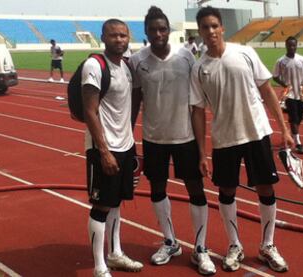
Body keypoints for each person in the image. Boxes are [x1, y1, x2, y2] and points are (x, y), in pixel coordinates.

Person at [190, 6, 294, 273]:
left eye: (215, 26)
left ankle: (267, 245)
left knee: (266, 189)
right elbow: (198, 111)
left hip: (257, 133)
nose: (211, 31)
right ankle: (235, 245)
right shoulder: (200, 67)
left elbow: (266, 90)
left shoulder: (245, 53)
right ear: (199, 31)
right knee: (226, 191)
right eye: (205, 27)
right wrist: (202, 152)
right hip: (225, 139)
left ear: (222, 27)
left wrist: (284, 129)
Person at [130, 6, 216, 275]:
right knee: (157, 190)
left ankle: (200, 248)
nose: (158, 33)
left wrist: (203, 150)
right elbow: (134, 101)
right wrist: (129, 138)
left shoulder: (186, 57)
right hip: (154, 138)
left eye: (163, 28)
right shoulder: (137, 61)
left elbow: (198, 102)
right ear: (146, 32)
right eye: (153, 29)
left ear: (169, 30)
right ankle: (170, 241)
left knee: (196, 191)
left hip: (185, 137)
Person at [82, 19, 143, 277]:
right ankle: (99, 266)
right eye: (113, 35)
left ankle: (115, 253)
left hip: (125, 146)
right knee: (101, 205)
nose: (119, 39)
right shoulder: (94, 65)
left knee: (117, 202)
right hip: (104, 147)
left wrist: (130, 143)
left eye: (123, 35)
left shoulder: (127, 67)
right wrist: (104, 151)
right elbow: (89, 110)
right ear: (103, 37)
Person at [272, 36, 303, 154]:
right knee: (294, 119)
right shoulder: (281, 61)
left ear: (296, 45)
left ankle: (292, 132)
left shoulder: (302, 59)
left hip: (301, 94)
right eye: (289, 45)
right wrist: (284, 85)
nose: (292, 47)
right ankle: (298, 143)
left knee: (299, 118)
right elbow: (275, 76)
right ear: (286, 46)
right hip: (289, 95)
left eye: (294, 45)